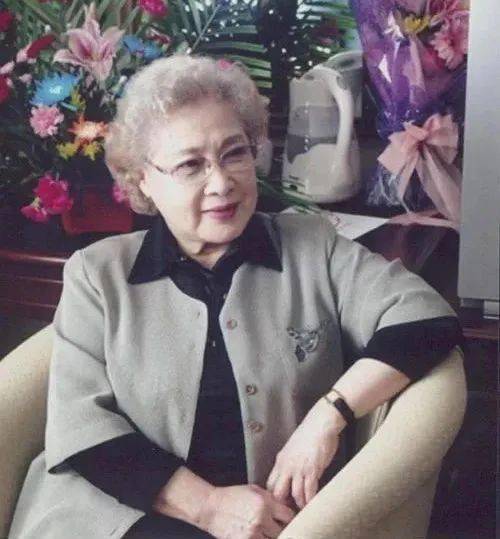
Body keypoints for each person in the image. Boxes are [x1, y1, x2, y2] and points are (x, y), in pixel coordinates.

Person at [9, 55, 464, 539]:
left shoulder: (313, 247)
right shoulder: (98, 274)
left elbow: (426, 319)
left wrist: (329, 414)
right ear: (143, 180)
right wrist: (208, 507)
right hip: (110, 514)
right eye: (191, 165)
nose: (221, 183)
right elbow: (83, 430)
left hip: (275, 520)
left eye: (234, 154)